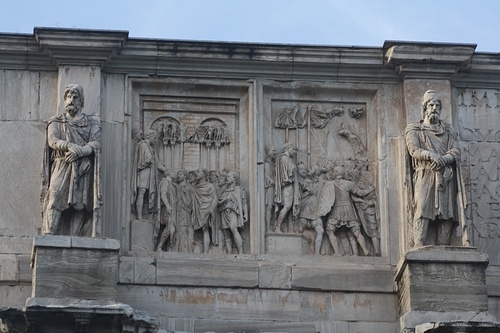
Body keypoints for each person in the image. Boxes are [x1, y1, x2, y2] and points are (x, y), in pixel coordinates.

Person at [41, 84, 101, 236]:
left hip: (83, 166)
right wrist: (70, 146)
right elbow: (52, 140)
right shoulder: (56, 121)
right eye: (68, 97)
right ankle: (50, 232)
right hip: (62, 163)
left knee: (80, 203)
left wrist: (80, 152)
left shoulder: (92, 123)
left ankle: (75, 237)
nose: (71, 100)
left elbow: (95, 142)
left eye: (75, 97)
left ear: (81, 101)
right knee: (55, 194)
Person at [405, 90, 460, 247]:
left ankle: (443, 245)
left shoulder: (448, 130)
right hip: (424, 173)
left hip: (446, 175)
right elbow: (413, 150)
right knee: (422, 207)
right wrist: (431, 156)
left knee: (447, 212)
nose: (434, 108)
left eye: (437, 105)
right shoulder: (414, 129)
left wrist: (444, 159)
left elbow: (455, 151)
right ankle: (419, 243)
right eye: (431, 105)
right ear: (424, 108)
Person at [325, 165, 373, 256]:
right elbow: (360, 193)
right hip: (349, 209)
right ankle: (365, 250)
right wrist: (370, 189)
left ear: (336, 173)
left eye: (334, 171)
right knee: (355, 231)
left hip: (337, 209)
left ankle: (337, 252)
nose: (333, 173)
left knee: (329, 230)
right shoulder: (349, 184)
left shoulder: (330, 184)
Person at [132, 129, 165, 220]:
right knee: (141, 192)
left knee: (144, 193)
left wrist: (166, 170)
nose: (155, 140)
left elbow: (157, 163)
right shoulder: (143, 145)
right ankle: (139, 216)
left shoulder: (150, 147)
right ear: (149, 136)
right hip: (144, 171)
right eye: (154, 138)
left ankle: (141, 215)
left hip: (148, 172)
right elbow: (148, 159)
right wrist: (151, 159)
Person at [218, 171, 248, 254]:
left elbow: (244, 202)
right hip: (224, 211)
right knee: (226, 232)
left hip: (233, 211)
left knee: (233, 228)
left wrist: (246, 213)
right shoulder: (224, 191)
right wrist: (224, 200)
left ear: (235, 178)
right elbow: (218, 203)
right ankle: (229, 252)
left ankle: (241, 251)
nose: (227, 178)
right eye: (227, 176)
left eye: (229, 176)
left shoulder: (239, 190)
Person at [274, 143, 300, 233]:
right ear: (288, 148)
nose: (294, 152)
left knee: (289, 207)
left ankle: (290, 229)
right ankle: (277, 227)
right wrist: (289, 179)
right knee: (287, 206)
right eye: (293, 150)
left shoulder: (286, 159)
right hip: (288, 186)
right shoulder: (285, 159)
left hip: (290, 185)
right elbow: (285, 175)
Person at [191, 170, 218, 253]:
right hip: (198, 209)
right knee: (192, 227)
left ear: (204, 174)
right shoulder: (195, 187)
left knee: (205, 229)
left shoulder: (210, 186)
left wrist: (211, 209)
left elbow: (215, 198)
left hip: (206, 209)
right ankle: (190, 249)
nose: (198, 173)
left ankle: (205, 252)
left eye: (200, 172)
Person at [155, 173, 175, 251]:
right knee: (169, 226)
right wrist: (167, 206)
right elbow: (163, 194)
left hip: (169, 208)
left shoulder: (169, 183)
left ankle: (165, 246)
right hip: (166, 208)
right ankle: (159, 246)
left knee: (170, 227)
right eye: (172, 171)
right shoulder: (165, 182)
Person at [264, 144, 277, 233]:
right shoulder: (267, 165)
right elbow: (267, 176)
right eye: (273, 151)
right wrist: (272, 181)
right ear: (268, 152)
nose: (275, 152)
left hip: (274, 188)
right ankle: (268, 228)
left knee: (274, 207)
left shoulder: (272, 165)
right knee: (269, 207)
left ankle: (274, 227)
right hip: (269, 188)